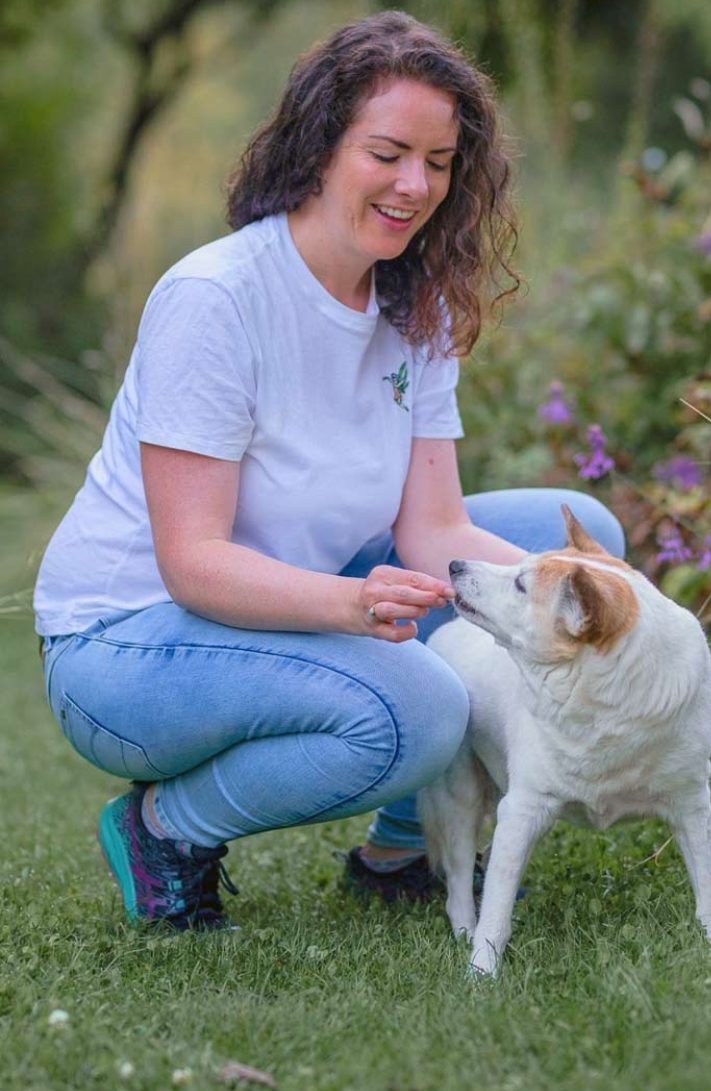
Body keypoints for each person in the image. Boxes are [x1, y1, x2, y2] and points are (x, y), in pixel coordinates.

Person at [34, 11, 624, 930]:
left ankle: (403, 848)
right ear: (318, 146)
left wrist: (616, 607)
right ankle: (167, 830)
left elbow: (433, 532)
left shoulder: (415, 307)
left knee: (578, 539)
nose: (415, 184)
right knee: (419, 712)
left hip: (283, 599)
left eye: (439, 161)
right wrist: (350, 608)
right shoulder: (216, 299)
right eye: (387, 153)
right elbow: (193, 561)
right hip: (128, 646)